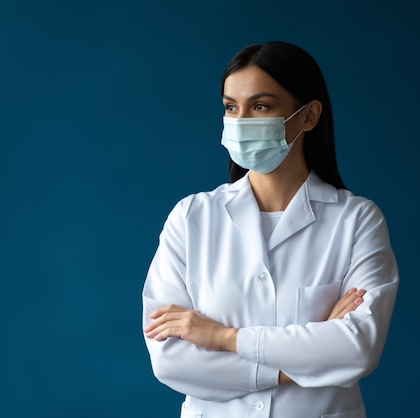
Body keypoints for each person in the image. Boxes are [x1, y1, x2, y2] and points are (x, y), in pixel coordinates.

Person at [142, 41, 399, 418]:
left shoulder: (357, 220)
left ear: (308, 116)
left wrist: (223, 339)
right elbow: (171, 360)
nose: (241, 121)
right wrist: (303, 363)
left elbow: (357, 349)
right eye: (231, 107)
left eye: (260, 106)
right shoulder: (191, 218)